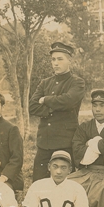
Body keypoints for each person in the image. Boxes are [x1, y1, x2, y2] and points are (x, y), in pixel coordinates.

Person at [29, 42, 86, 182]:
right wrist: (56, 106)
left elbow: (68, 101)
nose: (55, 63)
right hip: (44, 142)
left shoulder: (77, 82)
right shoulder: (45, 83)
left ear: (69, 61)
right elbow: (32, 107)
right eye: (53, 59)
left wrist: (46, 99)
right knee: (38, 182)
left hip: (64, 142)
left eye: (60, 59)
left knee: (64, 183)